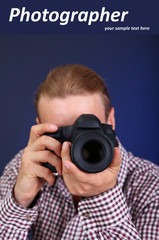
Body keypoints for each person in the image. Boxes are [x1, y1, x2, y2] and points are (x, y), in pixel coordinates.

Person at [0, 64, 158, 240]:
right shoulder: (27, 169)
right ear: (40, 130)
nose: (76, 143)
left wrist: (102, 199)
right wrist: (19, 201)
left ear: (110, 122)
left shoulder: (152, 188)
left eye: (87, 129)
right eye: (62, 132)